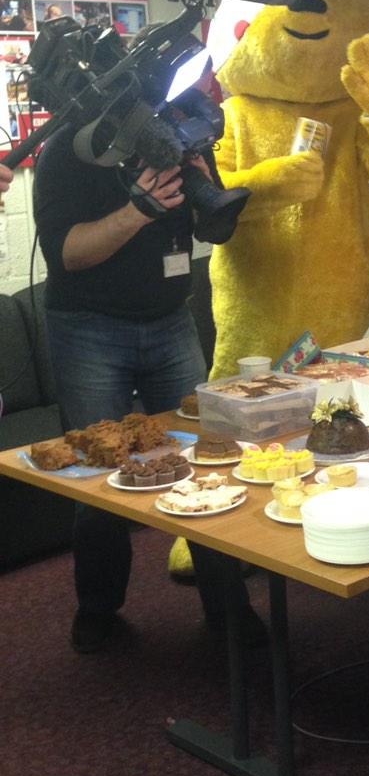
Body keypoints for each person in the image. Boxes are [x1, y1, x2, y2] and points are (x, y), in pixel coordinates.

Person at [33, 125, 264, 653]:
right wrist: (140, 208)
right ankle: (97, 611)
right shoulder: (67, 152)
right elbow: (66, 253)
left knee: (210, 461)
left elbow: (217, 230)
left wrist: (207, 191)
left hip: (170, 319)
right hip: (89, 328)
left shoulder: (174, 134)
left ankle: (228, 607)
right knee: (98, 475)